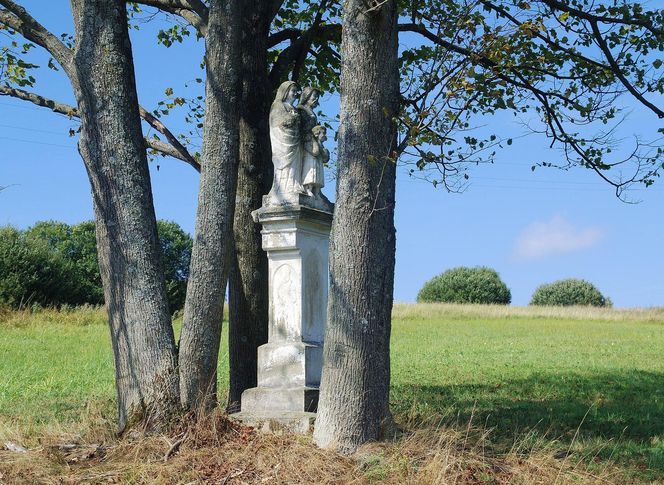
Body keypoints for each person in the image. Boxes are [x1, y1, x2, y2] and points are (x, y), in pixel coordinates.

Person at [269, 80, 304, 196]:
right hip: (283, 142)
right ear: (285, 92)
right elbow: (279, 122)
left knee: (295, 166)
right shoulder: (278, 105)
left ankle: (294, 185)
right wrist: (292, 118)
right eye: (293, 91)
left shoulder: (293, 107)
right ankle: (283, 188)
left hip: (295, 140)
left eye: (296, 91)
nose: (295, 93)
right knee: (284, 167)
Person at [302, 125, 328, 196]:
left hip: (318, 162)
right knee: (311, 176)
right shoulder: (310, 142)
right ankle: (308, 189)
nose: (324, 136)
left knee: (318, 177)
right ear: (317, 133)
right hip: (310, 162)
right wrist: (315, 141)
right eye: (323, 133)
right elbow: (315, 152)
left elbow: (325, 158)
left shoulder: (321, 145)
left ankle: (317, 192)